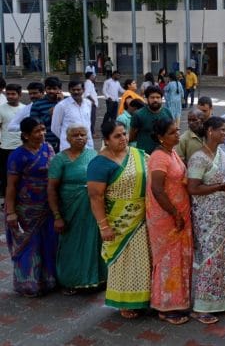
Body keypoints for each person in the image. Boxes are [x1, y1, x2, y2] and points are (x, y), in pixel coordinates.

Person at [88, 121, 151, 319]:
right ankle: (124, 302)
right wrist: (104, 226)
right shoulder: (99, 164)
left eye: (124, 134)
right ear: (106, 140)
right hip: (119, 221)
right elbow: (95, 197)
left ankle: (143, 298)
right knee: (122, 262)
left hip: (143, 218)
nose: (123, 138)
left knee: (143, 260)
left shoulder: (138, 155)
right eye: (117, 136)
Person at [187, 116, 225, 323]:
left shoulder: (221, 154)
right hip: (207, 218)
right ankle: (202, 307)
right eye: (221, 130)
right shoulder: (199, 158)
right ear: (209, 131)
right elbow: (192, 188)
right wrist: (220, 187)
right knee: (210, 257)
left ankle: (224, 300)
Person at [47, 124, 106, 295]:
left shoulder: (93, 155)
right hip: (70, 208)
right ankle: (71, 280)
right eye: (75, 135)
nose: (80, 138)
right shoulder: (60, 159)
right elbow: (51, 189)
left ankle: (96, 279)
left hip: (92, 207)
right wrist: (57, 215)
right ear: (67, 138)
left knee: (93, 241)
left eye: (83, 134)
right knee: (71, 244)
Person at [146, 118, 193, 325]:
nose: (177, 134)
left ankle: (178, 301)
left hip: (180, 215)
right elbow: (157, 189)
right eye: (172, 132)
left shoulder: (171, 152)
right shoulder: (158, 157)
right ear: (160, 137)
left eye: (178, 131)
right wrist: (174, 213)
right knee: (168, 261)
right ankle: (165, 306)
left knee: (179, 259)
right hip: (167, 218)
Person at [4, 117, 57, 297]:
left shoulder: (48, 148)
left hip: (47, 206)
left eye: (43, 129)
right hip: (26, 210)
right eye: (37, 131)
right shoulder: (18, 156)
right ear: (26, 135)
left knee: (48, 243)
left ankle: (48, 280)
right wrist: (11, 212)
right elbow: (11, 186)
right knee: (29, 246)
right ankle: (28, 283)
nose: (42, 133)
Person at [51, 80, 94, 152]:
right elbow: (55, 127)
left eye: (78, 89)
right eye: (73, 90)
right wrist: (68, 138)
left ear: (83, 90)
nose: (76, 92)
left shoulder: (88, 103)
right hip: (69, 147)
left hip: (87, 145)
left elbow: (88, 124)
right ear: (69, 90)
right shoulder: (61, 105)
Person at [129, 86, 174, 154]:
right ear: (147, 99)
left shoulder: (167, 113)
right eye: (152, 97)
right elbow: (132, 136)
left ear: (161, 99)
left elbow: (171, 133)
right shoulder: (138, 114)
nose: (155, 100)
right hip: (143, 154)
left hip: (163, 154)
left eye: (158, 97)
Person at [0, 84, 24, 199]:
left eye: (13, 94)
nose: (10, 96)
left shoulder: (25, 109)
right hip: (6, 148)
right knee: (7, 176)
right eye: (8, 94)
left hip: (22, 147)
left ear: (19, 95)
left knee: (22, 175)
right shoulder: (1, 109)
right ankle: (7, 201)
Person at [30, 76, 62, 152]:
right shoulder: (37, 104)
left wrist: (60, 103)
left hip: (64, 142)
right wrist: (49, 115)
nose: (51, 91)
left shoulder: (66, 102)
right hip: (46, 143)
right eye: (49, 88)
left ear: (60, 90)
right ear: (45, 89)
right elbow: (33, 125)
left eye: (54, 89)